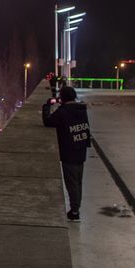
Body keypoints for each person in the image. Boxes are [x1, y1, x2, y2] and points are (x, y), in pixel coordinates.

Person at [42, 85, 92, 221]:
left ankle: (75, 211)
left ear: (62, 98)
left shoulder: (63, 112)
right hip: (81, 150)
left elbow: (48, 121)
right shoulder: (82, 110)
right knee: (78, 181)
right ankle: (76, 208)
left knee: (71, 183)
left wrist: (47, 106)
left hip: (68, 152)